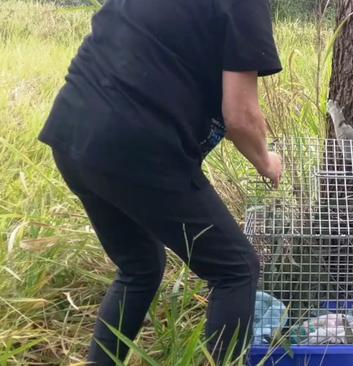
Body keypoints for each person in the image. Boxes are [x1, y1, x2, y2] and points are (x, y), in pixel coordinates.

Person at [37, 0, 282, 364]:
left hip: (72, 131)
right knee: (235, 269)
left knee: (140, 265)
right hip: (138, 147)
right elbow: (240, 116)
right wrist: (266, 161)